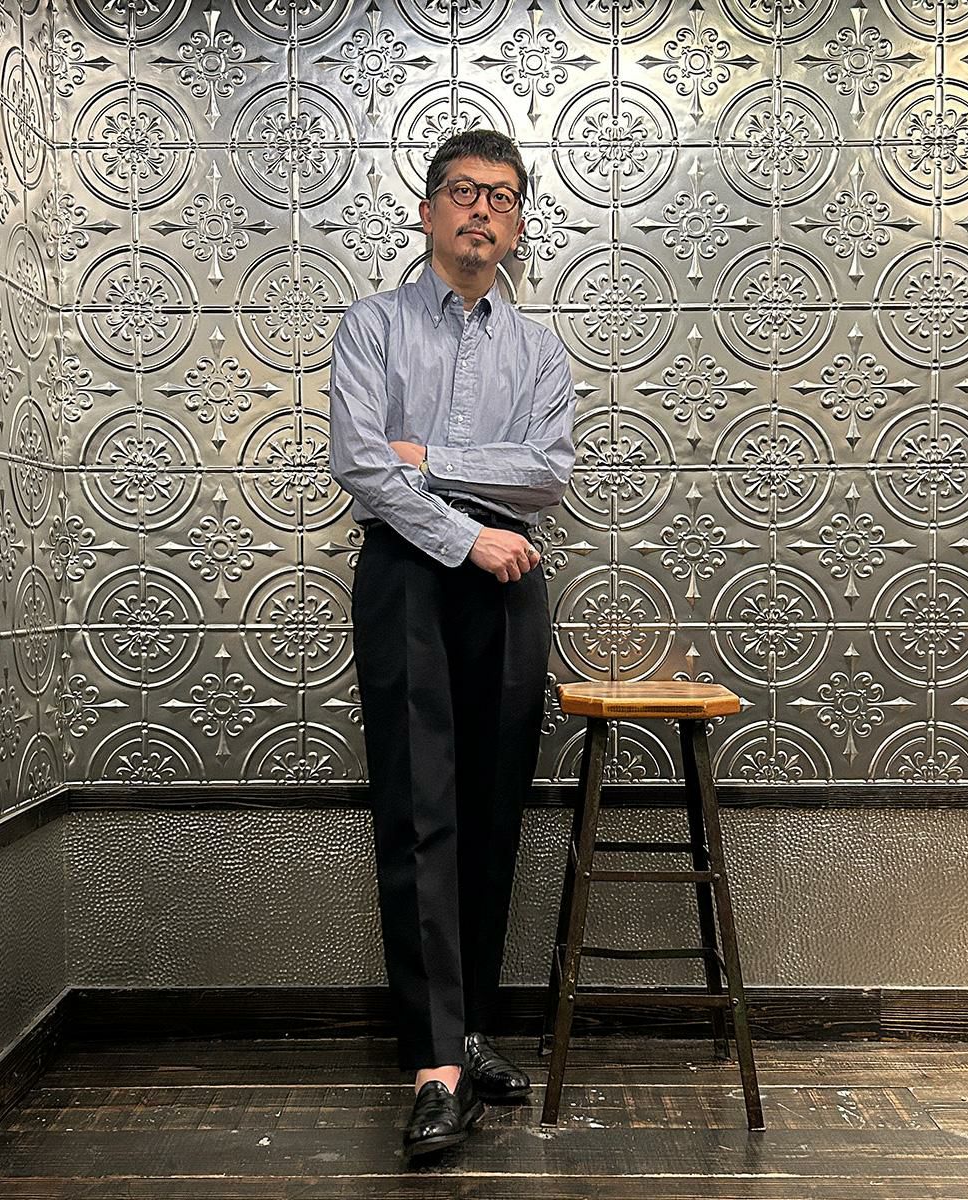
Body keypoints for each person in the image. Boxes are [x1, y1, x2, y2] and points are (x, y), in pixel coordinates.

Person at [328, 129, 576, 1160]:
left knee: (489, 806)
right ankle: (435, 1065)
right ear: (428, 210)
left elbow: (548, 472)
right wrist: (463, 531)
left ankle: (468, 1032)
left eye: (502, 197)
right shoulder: (372, 325)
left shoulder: (540, 351)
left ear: (517, 228)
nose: (483, 210)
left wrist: (430, 456)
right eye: (465, 191)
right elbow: (360, 461)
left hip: (510, 582)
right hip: (410, 576)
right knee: (419, 806)